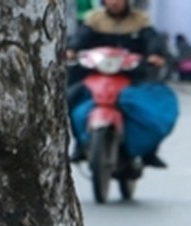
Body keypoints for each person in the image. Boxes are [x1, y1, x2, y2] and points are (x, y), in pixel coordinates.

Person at [66, 0, 174, 167]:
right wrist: (71, 50)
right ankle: (79, 145)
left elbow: (153, 41)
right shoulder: (95, 19)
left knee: (155, 107)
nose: (114, 3)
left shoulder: (140, 20)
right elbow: (80, 38)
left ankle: (149, 151)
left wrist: (155, 55)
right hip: (97, 74)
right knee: (70, 101)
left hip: (133, 75)